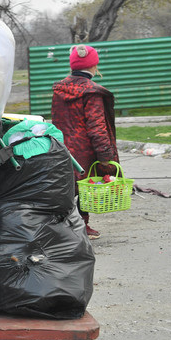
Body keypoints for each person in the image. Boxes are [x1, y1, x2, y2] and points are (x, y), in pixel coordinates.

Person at [51, 44, 119, 240]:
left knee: (68, 188)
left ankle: (63, 225)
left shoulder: (60, 89)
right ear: (93, 66)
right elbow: (97, 127)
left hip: (63, 146)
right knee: (86, 189)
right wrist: (106, 157)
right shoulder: (92, 93)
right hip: (86, 150)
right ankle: (82, 226)